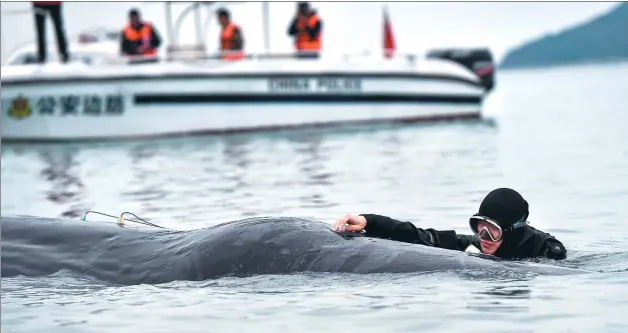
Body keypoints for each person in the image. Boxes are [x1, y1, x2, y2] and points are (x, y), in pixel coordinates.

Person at [331, 188, 567, 260]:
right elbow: (421, 236)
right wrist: (368, 221)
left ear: (512, 230)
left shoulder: (547, 251)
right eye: (479, 225)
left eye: (492, 229)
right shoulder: (476, 245)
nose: (483, 236)